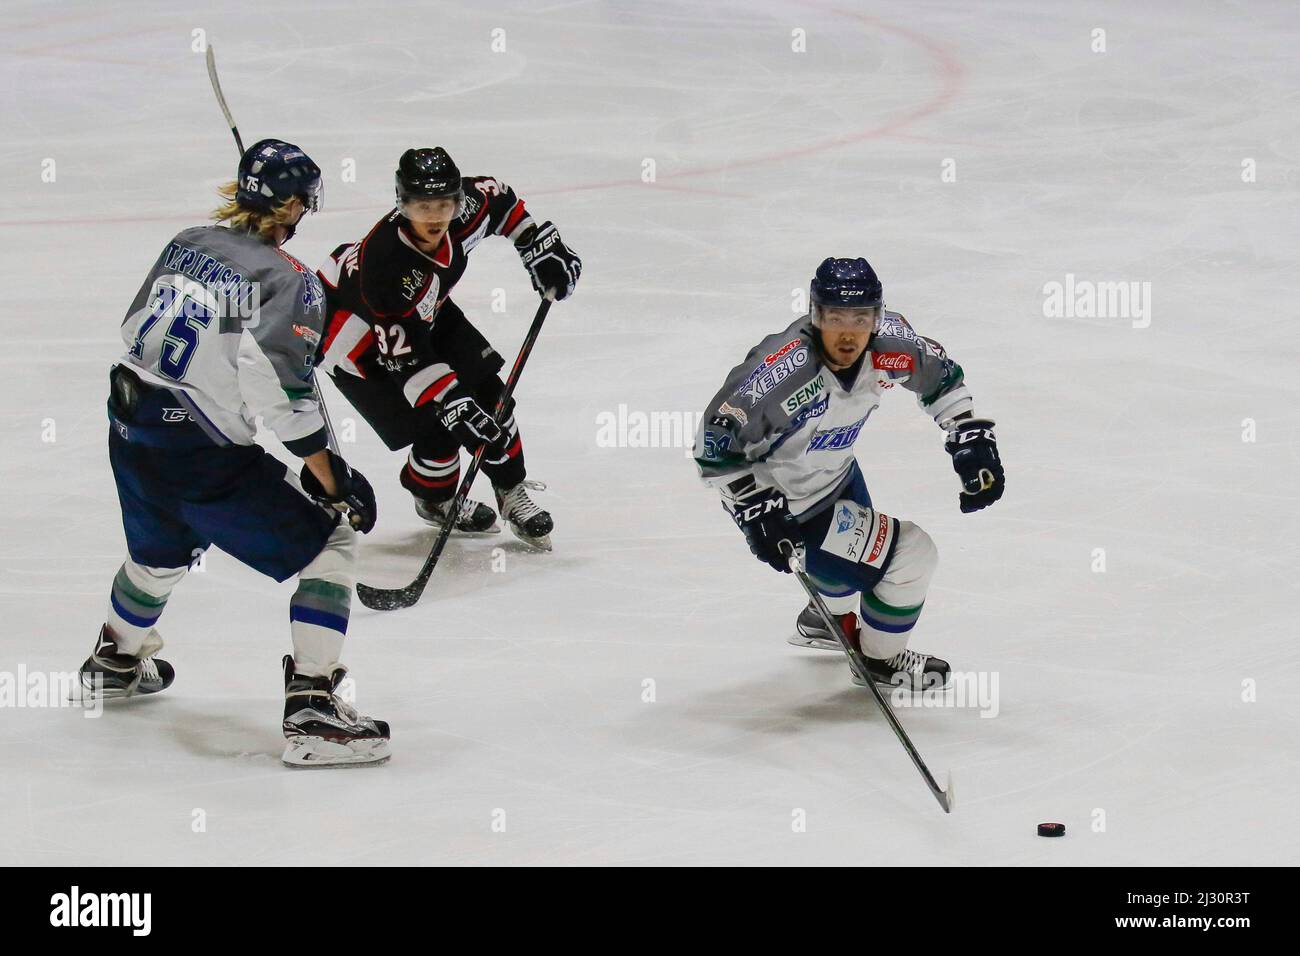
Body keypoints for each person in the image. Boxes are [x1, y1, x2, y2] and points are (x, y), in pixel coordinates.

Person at [82, 138, 390, 767]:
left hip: (130, 425)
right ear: (294, 204)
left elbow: (134, 323)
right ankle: (312, 711)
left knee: (160, 550)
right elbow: (283, 394)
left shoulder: (188, 240)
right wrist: (330, 477)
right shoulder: (289, 279)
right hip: (199, 452)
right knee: (329, 546)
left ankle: (113, 659)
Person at [693, 257, 1005, 689]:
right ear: (815, 315)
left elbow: (939, 378)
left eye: (860, 319)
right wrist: (754, 508)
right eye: (834, 317)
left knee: (848, 567)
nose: (847, 333)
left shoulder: (890, 344)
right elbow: (714, 445)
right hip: (789, 505)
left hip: (836, 471)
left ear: (876, 318)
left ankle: (827, 620)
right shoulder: (782, 374)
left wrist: (969, 435)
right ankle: (881, 661)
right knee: (911, 557)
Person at [316, 146, 581, 551]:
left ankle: (511, 490)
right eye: (423, 206)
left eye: (444, 204)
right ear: (402, 205)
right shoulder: (387, 266)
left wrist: (535, 246)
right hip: (358, 341)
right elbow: (401, 357)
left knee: (492, 397)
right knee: (438, 423)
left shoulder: (464, 209)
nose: (436, 216)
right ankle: (435, 499)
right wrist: (449, 399)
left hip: (426, 311)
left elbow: (501, 200)